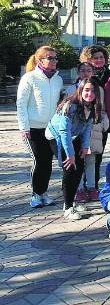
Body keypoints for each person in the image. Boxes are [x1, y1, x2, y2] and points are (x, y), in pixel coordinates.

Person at [46, 77, 100, 220]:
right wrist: (70, 154)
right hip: (57, 135)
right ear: (81, 90)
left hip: (74, 135)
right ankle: (68, 206)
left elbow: (88, 127)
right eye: (87, 90)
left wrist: (85, 147)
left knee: (79, 167)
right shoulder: (70, 105)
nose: (90, 94)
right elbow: (64, 131)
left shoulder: (91, 106)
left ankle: (72, 201)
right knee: (70, 168)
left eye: (93, 91)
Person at [18, 46, 64, 208]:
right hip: (33, 128)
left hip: (51, 129)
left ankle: (43, 193)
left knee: (48, 161)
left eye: (55, 58)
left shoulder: (58, 79)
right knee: (39, 160)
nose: (54, 61)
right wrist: (24, 127)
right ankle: (36, 194)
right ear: (40, 60)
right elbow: (21, 104)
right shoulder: (29, 78)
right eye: (50, 58)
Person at [75, 100, 110, 203]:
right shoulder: (79, 107)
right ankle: (81, 188)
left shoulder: (99, 111)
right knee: (81, 164)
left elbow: (105, 126)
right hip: (82, 141)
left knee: (89, 164)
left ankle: (90, 188)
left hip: (92, 143)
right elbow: (105, 126)